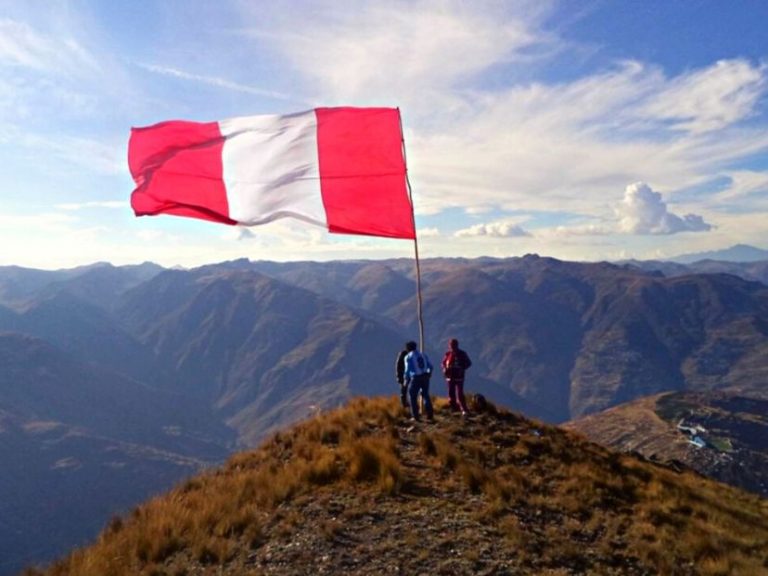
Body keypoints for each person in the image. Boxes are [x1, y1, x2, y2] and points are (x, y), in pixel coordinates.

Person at [404, 340, 434, 421]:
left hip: (416, 377)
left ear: (408, 348)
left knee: (412, 396)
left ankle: (415, 416)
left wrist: (406, 380)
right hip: (425, 376)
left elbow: (407, 370)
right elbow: (430, 366)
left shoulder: (408, 357)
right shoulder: (423, 354)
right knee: (425, 395)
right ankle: (430, 414)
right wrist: (429, 374)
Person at [441, 338, 472, 415]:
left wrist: (461, 368)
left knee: (460, 393)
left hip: (459, 377)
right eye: (451, 345)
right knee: (451, 393)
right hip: (449, 376)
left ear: (457, 345)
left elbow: (468, 363)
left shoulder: (462, 354)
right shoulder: (447, 354)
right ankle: (453, 408)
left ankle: (463, 409)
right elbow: (443, 363)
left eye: (454, 345)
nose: (452, 346)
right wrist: (445, 369)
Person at [395, 343, 410, 408]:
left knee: (408, 390)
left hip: (410, 375)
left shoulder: (411, 355)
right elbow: (398, 366)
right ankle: (404, 404)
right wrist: (399, 375)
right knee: (404, 390)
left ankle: (408, 403)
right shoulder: (403, 354)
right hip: (403, 375)